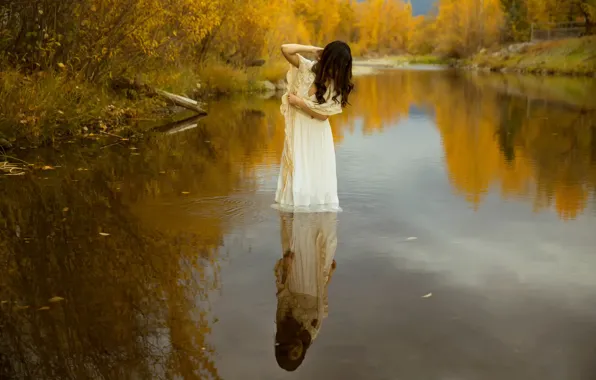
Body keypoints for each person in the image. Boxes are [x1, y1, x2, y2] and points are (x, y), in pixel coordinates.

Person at [274, 41, 354, 212]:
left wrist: (300, 103)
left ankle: (310, 214)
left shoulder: (335, 85)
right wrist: (312, 49)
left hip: (316, 132)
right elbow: (285, 49)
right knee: (296, 167)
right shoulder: (307, 67)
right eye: (337, 63)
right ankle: (293, 211)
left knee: (312, 170)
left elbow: (323, 116)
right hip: (298, 129)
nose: (339, 68)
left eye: (342, 65)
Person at [273, 211, 338, 371]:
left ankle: (303, 200)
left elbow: (283, 296)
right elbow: (321, 304)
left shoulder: (284, 324)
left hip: (297, 278)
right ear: (302, 354)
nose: (296, 349)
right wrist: (328, 275)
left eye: (291, 351)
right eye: (297, 354)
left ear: (284, 346)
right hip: (315, 282)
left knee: (302, 230)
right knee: (323, 233)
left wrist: (286, 268)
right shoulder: (313, 333)